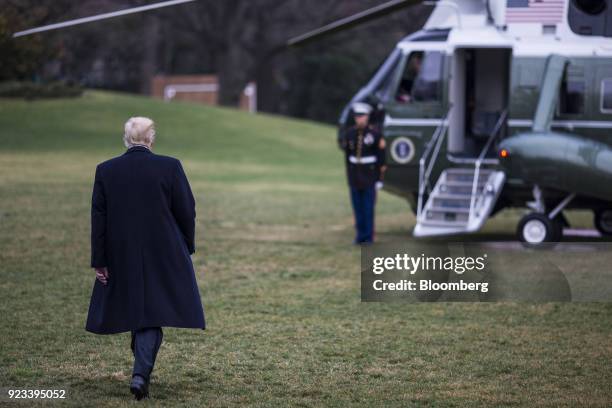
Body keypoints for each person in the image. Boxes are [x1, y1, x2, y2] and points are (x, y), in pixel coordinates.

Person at [86, 117, 205, 400]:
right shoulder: (170, 166)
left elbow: (98, 219)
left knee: (143, 311)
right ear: (151, 139)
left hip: (120, 251)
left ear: (126, 139)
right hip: (164, 250)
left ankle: (141, 370)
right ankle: (140, 375)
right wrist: (185, 245)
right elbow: (187, 211)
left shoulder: (106, 170)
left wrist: (99, 260)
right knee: (150, 312)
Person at [339, 102, 386, 244]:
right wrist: (349, 177)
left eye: (362, 116)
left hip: (369, 176)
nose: (359, 119)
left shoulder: (375, 135)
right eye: (357, 116)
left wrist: (379, 179)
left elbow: (381, 159)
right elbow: (348, 157)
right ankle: (359, 236)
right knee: (357, 208)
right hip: (355, 176)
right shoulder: (350, 134)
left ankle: (368, 237)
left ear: (367, 117)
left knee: (368, 208)